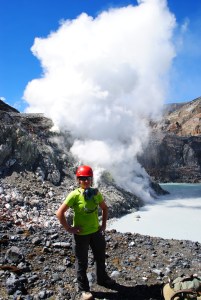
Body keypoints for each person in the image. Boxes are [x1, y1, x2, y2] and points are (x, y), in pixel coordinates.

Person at [56, 165, 115, 300]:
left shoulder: (95, 193)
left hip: (95, 232)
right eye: (82, 179)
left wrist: (104, 224)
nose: (86, 181)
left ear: (91, 179)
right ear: (78, 180)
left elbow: (105, 208)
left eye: (88, 178)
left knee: (100, 257)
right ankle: (84, 290)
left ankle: (102, 279)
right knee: (82, 262)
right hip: (80, 235)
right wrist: (69, 228)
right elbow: (59, 213)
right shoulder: (74, 195)